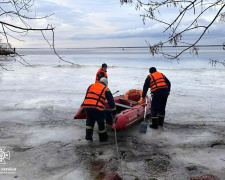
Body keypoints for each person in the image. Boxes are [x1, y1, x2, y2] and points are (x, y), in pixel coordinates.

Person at [81, 77, 116, 142]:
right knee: (101, 123)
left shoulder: (91, 86)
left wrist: (83, 107)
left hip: (87, 106)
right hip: (97, 108)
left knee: (89, 122)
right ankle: (103, 139)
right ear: (106, 84)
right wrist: (114, 113)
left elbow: (87, 97)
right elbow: (111, 102)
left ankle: (88, 137)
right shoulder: (106, 89)